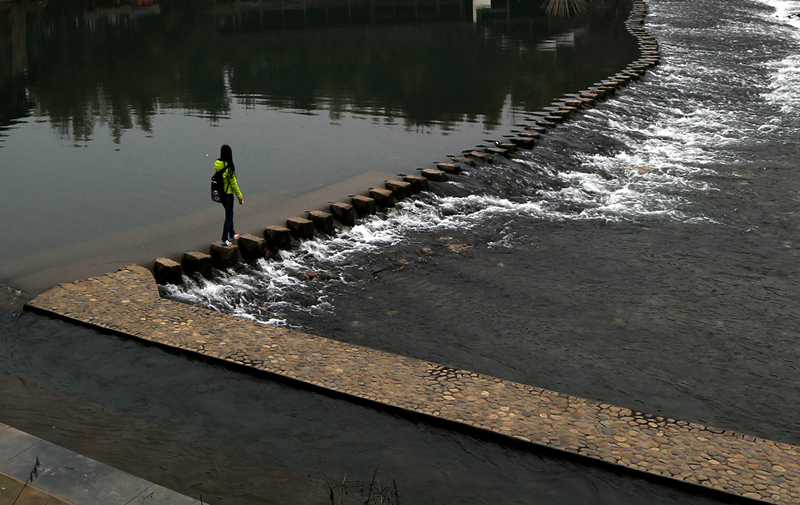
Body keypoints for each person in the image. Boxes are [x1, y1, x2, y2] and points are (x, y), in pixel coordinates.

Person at [215, 145, 244, 246]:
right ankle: (224, 239)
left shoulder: (217, 164)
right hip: (228, 195)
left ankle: (232, 233)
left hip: (220, 194)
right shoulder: (229, 167)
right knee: (228, 216)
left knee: (230, 213)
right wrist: (240, 197)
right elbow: (234, 184)